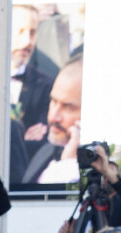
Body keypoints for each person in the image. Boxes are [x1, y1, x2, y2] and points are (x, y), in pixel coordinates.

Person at [22, 55, 83, 184]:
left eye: (68, 107)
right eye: (53, 102)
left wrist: (69, 165)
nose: (54, 117)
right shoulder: (45, 151)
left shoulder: (103, 169)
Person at [10, 5, 54, 147]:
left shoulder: (46, 85)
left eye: (32, 33)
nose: (27, 41)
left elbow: (41, 140)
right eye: (20, 31)